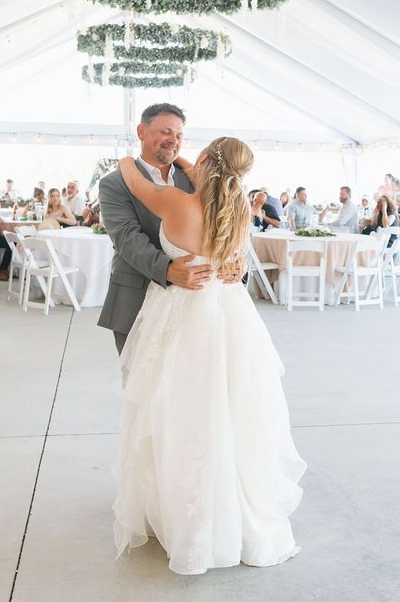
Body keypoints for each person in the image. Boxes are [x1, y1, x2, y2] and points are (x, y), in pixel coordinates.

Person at [112, 135, 304, 576]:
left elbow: (130, 173)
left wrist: (129, 150)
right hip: (229, 314)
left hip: (184, 314)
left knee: (181, 414)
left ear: (203, 161)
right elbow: (232, 256)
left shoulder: (177, 203)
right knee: (232, 413)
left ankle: (188, 520)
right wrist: (190, 159)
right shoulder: (236, 212)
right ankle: (233, 513)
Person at [99, 102, 240, 357]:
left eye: (179, 134)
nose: (173, 140)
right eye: (166, 132)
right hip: (137, 297)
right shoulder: (114, 183)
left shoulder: (199, 179)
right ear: (141, 131)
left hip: (199, 304)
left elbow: (226, 223)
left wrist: (238, 261)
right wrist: (167, 269)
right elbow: (126, 237)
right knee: (140, 384)